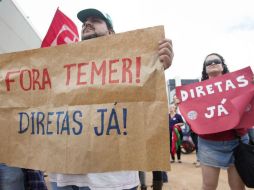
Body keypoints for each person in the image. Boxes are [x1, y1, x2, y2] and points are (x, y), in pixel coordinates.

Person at [49, 8, 174, 190]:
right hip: (64, 175)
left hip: (112, 180)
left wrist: (157, 65)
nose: (86, 24)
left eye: (96, 20)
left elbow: (146, 108)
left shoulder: (131, 63)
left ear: (111, 32)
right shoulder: (62, 65)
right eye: (84, 23)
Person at [197, 53, 254, 190]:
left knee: (238, 187)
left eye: (216, 61)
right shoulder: (197, 91)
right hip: (209, 144)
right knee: (208, 186)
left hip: (237, 141)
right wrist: (181, 103)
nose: (212, 63)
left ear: (223, 65)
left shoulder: (240, 84)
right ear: (205, 69)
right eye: (208, 63)